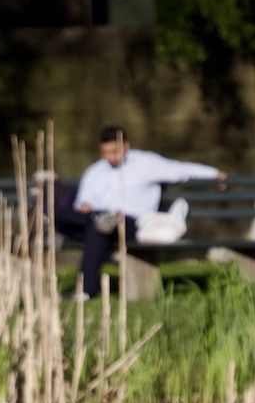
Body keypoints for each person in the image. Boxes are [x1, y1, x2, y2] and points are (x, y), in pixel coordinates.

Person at [62, 125, 227, 299]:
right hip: (96, 220)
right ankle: (85, 289)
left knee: (100, 227)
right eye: (106, 153)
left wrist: (214, 174)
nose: (110, 157)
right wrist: (84, 205)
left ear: (126, 146)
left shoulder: (146, 163)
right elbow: (84, 200)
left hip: (131, 223)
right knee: (95, 226)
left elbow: (180, 171)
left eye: (114, 151)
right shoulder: (95, 171)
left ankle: (86, 290)